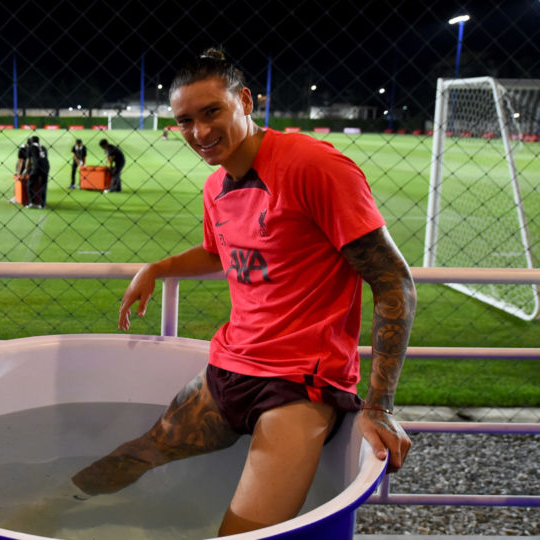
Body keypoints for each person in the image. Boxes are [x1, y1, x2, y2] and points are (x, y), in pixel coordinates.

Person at [71, 47, 415, 535]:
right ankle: (39, 514)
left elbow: (392, 281)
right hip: (228, 369)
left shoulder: (312, 167)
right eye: (185, 120)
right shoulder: (217, 186)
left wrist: (380, 406)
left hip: (300, 386)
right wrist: (159, 267)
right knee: (134, 456)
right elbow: (220, 251)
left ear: (246, 102)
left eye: (212, 112)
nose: (200, 132)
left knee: (242, 534)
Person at [24, 135, 49, 209]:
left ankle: (31, 202)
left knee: (30, 185)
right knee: (43, 186)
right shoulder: (43, 147)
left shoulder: (30, 147)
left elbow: (28, 160)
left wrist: (26, 170)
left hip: (37, 168)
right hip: (46, 167)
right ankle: (42, 204)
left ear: (31, 141)